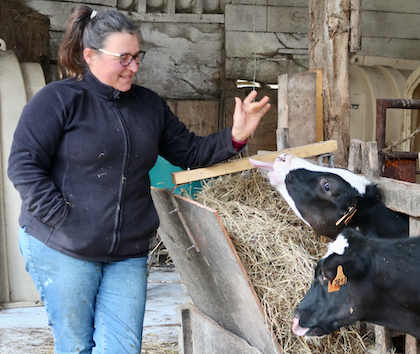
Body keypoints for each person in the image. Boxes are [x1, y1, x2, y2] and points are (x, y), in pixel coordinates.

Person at [7, 4, 271, 354]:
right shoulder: (58, 100)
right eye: (124, 58)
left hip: (126, 251)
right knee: (75, 346)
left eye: (137, 57)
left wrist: (235, 136)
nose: (133, 67)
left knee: (123, 348)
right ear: (90, 55)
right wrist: (63, 218)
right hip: (62, 247)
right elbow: (23, 165)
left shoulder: (148, 106)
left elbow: (190, 153)